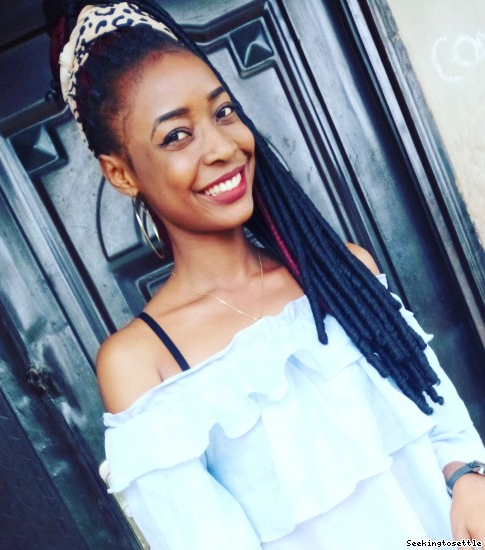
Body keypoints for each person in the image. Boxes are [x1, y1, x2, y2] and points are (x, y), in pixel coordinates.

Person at [44, 1, 485, 548]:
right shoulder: (142, 364)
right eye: (177, 135)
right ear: (121, 173)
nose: (223, 147)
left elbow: (441, 423)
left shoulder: (341, 274)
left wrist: (468, 478)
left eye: (223, 112)